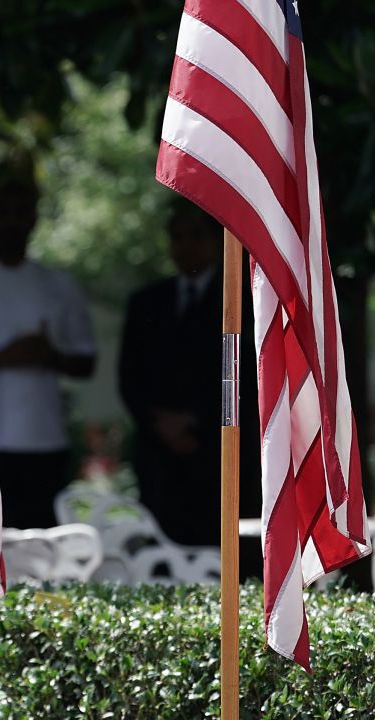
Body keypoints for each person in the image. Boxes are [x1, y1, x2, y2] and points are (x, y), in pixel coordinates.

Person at [119, 205, 262, 557]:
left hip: (221, 451)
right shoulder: (147, 302)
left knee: (228, 553)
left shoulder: (243, 299)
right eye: (177, 237)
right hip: (161, 457)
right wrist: (161, 424)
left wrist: (195, 419)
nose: (186, 246)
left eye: (196, 236)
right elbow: (129, 376)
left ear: (216, 240)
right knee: (166, 556)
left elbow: (246, 373)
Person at [0, 175, 96, 530]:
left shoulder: (58, 285)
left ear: (33, 219)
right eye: (5, 213)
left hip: (46, 438)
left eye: (21, 213)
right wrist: (5, 356)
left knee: (44, 538)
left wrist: (49, 355)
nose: (13, 222)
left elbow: (85, 361)